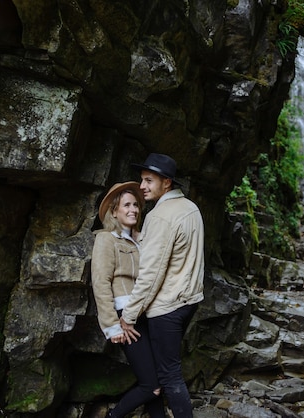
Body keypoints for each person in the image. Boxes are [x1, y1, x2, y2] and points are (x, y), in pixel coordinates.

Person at [120, 153, 205, 418]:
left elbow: (150, 274)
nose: (142, 186)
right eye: (142, 180)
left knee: (169, 376)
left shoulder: (161, 216)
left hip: (166, 307)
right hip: (189, 300)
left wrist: (129, 316)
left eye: (148, 180)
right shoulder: (190, 208)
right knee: (160, 372)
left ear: (166, 182)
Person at [91, 182, 166, 418]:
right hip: (126, 319)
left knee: (157, 380)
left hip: (149, 314)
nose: (133, 209)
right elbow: (101, 283)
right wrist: (113, 326)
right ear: (114, 211)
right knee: (151, 386)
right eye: (126, 205)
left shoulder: (143, 240)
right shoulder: (106, 240)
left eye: (136, 205)